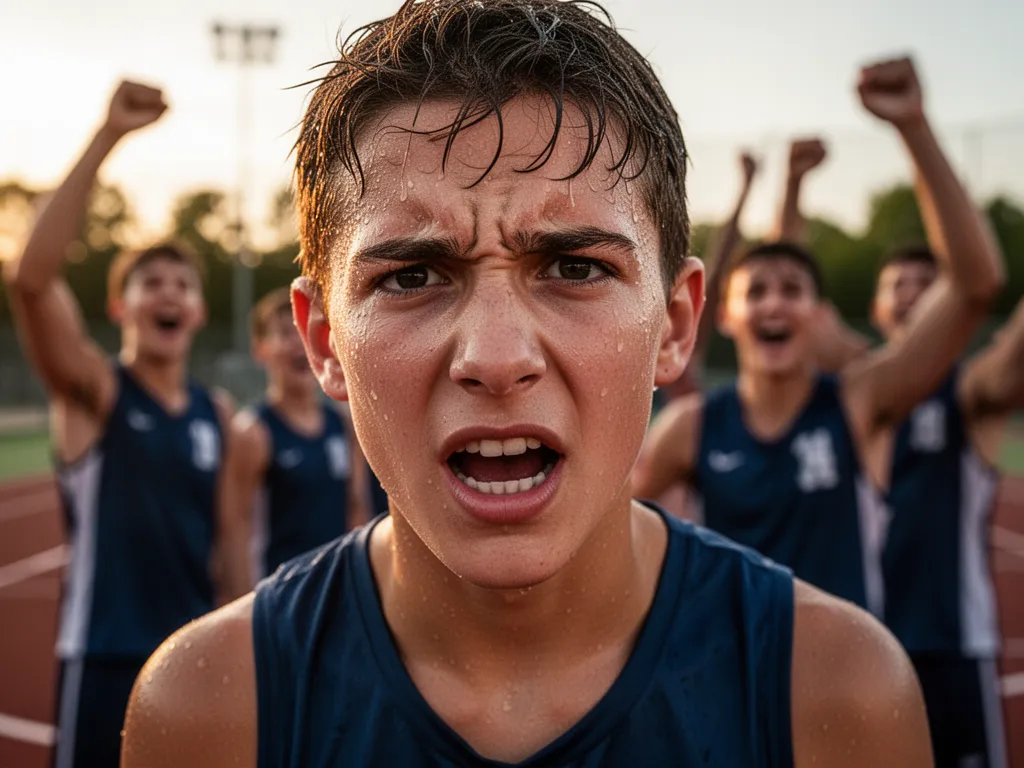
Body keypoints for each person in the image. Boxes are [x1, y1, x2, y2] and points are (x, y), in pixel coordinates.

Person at [121, 3, 932, 765]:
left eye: (575, 266)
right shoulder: (206, 709)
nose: (496, 356)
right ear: (324, 340)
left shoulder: (837, 691)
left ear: (677, 326)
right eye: (412, 276)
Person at [634, 57, 1004, 618]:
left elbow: (974, 286)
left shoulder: (858, 402)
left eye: (792, 289)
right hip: (731, 680)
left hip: (847, 688)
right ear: (727, 315)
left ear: (819, 316)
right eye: (756, 291)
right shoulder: (693, 428)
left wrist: (914, 127)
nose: (775, 302)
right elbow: (615, 529)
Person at [3, 82, 241, 767]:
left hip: (193, 653)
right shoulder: (95, 393)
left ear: (196, 312)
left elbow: (227, 540)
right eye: (150, 282)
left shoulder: (216, 413)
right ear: (120, 307)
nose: (168, 292)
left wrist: (246, 632)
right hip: (105, 656)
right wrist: (107, 136)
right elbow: (30, 278)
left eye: (182, 284)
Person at [223, 287, 368, 594]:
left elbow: (356, 510)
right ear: (260, 349)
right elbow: (234, 528)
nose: (299, 343)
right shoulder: (253, 432)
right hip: (278, 602)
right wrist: (241, 611)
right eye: (284, 334)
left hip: (335, 596)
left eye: (304, 331)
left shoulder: (343, 425)